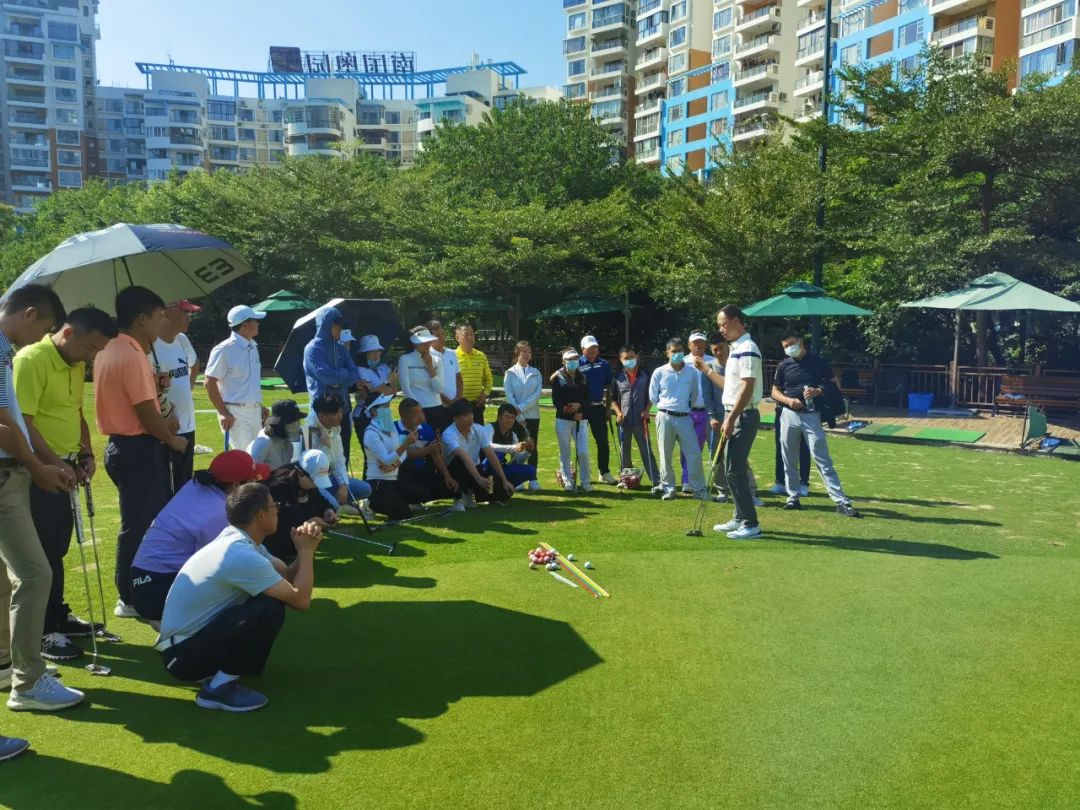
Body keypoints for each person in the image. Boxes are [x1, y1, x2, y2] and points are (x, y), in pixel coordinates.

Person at [155, 483, 324, 712]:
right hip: (183, 658)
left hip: (185, 648)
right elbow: (300, 600)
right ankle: (218, 688)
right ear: (260, 514)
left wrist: (302, 549)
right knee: (270, 607)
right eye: (274, 505)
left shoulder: (239, 540)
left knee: (269, 599)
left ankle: (220, 675)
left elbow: (285, 575)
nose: (278, 510)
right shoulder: (241, 553)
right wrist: (306, 552)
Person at [14, 307, 116, 663]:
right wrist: (55, 463)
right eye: (90, 348)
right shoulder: (31, 360)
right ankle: (43, 630)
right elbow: (23, 423)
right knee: (40, 554)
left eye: (97, 351)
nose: (92, 357)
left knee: (56, 547)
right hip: (37, 471)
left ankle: (58, 615)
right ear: (69, 333)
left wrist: (86, 453)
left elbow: (75, 413)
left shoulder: (73, 364)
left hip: (65, 467)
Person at [0, 284, 84, 712]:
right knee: (34, 576)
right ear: (29, 313)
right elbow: (3, 425)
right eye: (44, 327)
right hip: (4, 477)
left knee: (7, 579)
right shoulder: (4, 351)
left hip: (9, 472)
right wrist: (37, 467)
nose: (41, 337)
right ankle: (28, 683)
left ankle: (6, 664)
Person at [95, 286, 189, 619]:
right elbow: (147, 413)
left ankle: (139, 589)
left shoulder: (112, 348)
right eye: (159, 315)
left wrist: (155, 384)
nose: (163, 321)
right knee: (138, 526)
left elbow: (144, 401)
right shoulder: (133, 354)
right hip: (137, 448)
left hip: (124, 447)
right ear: (141, 318)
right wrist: (172, 441)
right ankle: (130, 596)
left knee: (142, 522)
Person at [130, 450, 270, 623]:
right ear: (235, 485)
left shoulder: (196, 485)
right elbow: (228, 565)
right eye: (252, 481)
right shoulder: (219, 514)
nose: (256, 487)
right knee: (248, 590)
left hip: (145, 581)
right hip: (157, 590)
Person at [772, 335, 861, 518]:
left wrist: (818, 391)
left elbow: (835, 384)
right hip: (788, 414)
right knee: (788, 458)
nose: (789, 348)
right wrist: (788, 400)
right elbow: (775, 391)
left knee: (822, 458)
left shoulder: (819, 362)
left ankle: (841, 501)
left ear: (801, 343)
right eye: (785, 346)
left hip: (812, 415)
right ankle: (793, 497)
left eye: (791, 344)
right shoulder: (784, 365)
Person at [701, 306, 764, 540]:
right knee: (731, 470)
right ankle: (739, 517)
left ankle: (751, 524)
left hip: (743, 416)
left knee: (735, 471)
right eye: (719, 325)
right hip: (736, 414)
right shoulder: (737, 348)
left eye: (723, 324)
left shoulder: (748, 349)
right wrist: (706, 370)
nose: (721, 329)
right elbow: (730, 386)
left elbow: (747, 387)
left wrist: (731, 417)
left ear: (736, 321)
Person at [696, 340, 762, 507]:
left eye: (721, 348)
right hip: (717, 418)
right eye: (715, 349)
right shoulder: (709, 366)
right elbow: (707, 394)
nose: (718, 352)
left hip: (736, 414)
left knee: (738, 456)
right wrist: (712, 416)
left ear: (727, 347)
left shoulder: (735, 362)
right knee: (717, 455)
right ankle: (722, 490)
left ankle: (751, 491)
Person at [649, 338, 706, 501]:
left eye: (680, 351)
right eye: (673, 351)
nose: (677, 354)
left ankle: (698, 489)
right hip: (664, 416)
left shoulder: (692, 372)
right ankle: (669, 488)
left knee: (694, 453)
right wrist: (666, 407)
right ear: (667, 353)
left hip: (685, 417)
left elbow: (694, 395)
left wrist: (683, 408)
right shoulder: (659, 372)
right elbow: (653, 396)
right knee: (665, 454)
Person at [303, 306, 361, 465]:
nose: (340, 329)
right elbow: (326, 377)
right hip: (322, 413)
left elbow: (354, 374)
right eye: (337, 325)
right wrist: (342, 375)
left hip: (343, 411)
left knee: (342, 457)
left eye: (341, 326)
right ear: (325, 325)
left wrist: (338, 379)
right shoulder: (312, 349)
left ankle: (343, 480)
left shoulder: (341, 348)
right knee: (317, 458)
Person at [205, 304, 267, 453]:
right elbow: (209, 382)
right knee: (246, 458)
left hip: (255, 413)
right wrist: (223, 413)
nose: (258, 323)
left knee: (259, 457)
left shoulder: (253, 347)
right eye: (255, 320)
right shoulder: (224, 349)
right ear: (244, 325)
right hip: (235, 414)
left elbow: (249, 383)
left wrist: (259, 405)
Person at [154, 300, 201, 493]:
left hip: (187, 425)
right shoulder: (151, 345)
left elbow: (195, 364)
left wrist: (187, 389)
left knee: (184, 486)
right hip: (166, 429)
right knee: (167, 490)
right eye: (184, 313)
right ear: (166, 313)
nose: (189, 318)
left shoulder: (182, 339)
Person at [363, 395, 432, 520]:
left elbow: (402, 453)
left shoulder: (390, 427)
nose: (388, 409)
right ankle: (371, 504)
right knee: (404, 514)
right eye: (385, 406)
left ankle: (395, 502)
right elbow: (386, 459)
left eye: (388, 406)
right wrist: (406, 444)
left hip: (395, 479)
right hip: (378, 482)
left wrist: (395, 464)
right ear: (373, 411)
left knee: (424, 493)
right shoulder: (370, 434)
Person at [441, 399, 515, 509]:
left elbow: (491, 455)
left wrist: (504, 480)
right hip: (454, 471)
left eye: (471, 413)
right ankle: (459, 498)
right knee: (459, 462)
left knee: (502, 492)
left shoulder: (479, 429)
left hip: (475, 468)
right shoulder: (448, 434)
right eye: (465, 415)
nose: (470, 417)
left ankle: (478, 495)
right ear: (456, 419)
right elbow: (464, 457)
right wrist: (479, 479)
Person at [264, 451, 338, 561]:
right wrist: (307, 523)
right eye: (314, 480)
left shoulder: (308, 484)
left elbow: (320, 500)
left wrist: (328, 511)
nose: (316, 485)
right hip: (274, 538)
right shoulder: (277, 487)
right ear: (300, 474)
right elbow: (275, 524)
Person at [305, 395, 372, 513]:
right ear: (322, 416)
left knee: (365, 489)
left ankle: (337, 502)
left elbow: (339, 460)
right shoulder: (309, 431)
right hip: (316, 481)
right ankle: (333, 505)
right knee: (333, 505)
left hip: (331, 477)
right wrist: (326, 446)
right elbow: (310, 467)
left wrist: (343, 485)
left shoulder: (335, 428)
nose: (340, 416)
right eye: (335, 414)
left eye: (340, 412)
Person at [610, 345, 658, 487]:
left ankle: (656, 480)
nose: (629, 360)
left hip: (641, 420)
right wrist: (618, 413)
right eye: (626, 358)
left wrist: (647, 410)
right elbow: (612, 399)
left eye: (631, 357)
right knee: (624, 452)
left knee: (646, 451)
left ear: (636, 356)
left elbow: (652, 395)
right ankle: (626, 479)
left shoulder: (645, 374)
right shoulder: (617, 376)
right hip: (623, 421)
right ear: (620, 359)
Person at [395, 397, 457, 502]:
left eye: (421, 412)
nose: (421, 416)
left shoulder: (425, 428)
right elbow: (404, 454)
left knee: (446, 489)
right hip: (403, 473)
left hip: (423, 470)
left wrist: (447, 476)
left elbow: (435, 453)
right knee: (418, 489)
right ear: (405, 416)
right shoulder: (394, 430)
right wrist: (427, 450)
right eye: (416, 414)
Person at [551, 348, 591, 493]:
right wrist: (569, 412)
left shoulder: (583, 377)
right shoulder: (558, 378)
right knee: (565, 452)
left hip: (581, 419)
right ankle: (568, 480)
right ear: (564, 362)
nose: (573, 362)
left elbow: (588, 398)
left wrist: (580, 407)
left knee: (583, 451)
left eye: (575, 359)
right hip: (563, 419)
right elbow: (557, 401)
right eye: (570, 360)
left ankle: (586, 482)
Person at [577, 335, 616, 485]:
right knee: (582, 443)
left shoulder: (603, 364)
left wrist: (608, 408)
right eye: (590, 348)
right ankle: (584, 473)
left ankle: (604, 472)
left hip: (598, 407)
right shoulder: (577, 363)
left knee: (603, 442)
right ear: (583, 349)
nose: (594, 350)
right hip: (582, 408)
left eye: (595, 347)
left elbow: (609, 387)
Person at [350, 334, 396, 456]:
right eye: (371, 352)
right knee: (371, 454)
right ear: (364, 354)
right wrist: (388, 382)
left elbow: (393, 392)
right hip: (366, 415)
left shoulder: (384, 368)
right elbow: (371, 395)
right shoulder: (359, 370)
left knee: (389, 449)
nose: (376, 355)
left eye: (378, 351)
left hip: (384, 413)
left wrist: (386, 387)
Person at [503, 340, 542, 484]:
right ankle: (516, 479)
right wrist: (517, 414)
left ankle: (533, 479)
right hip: (514, 417)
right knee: (517, 446)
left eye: (529, 352)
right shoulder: (510, 373)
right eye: (524, 351)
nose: (527, 354)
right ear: (518, 353)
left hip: (532, 415)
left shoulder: (536, 373)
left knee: (532, 446)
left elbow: (536, 395)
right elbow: (509, 395)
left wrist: (521, 409)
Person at [681, 331, 713, 492]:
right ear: (689, 345)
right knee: (686, 448)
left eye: (701, 342)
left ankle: (696, 480)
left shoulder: (712, 361)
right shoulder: (682, 362)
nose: (698, 345)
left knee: (700, 447)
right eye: (695, 342)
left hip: (707, 411)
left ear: (705, 344)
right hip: (687, 411)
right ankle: (687, 479)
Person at [398, 328, 445, 431]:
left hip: (437, 408)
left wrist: (430, 366)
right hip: (417, 411)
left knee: (438, 439)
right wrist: (417, 410)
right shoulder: (405, 359)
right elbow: (406, 389)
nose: (427, 344)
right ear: (414, 343)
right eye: (423, 342)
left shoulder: (437, 359)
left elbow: (439, 389)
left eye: (429, 341)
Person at [485, 404, 537, 490]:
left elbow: (517, 460)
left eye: (512, 418)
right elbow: (488, 446)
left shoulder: (513, 436)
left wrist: (528, 451)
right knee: (497, 456)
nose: (509, 420)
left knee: (531, 470)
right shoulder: (489, 428)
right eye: (506, 416)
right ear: (498, 417)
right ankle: (489, 489)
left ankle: (503, 488)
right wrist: (513, 447)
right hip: (483, 467)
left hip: (500, 468)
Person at [248, 399, 305, 471]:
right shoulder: (263, 443)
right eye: (295, 421)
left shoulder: (288, 446)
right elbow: (249, 470)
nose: (299, 425)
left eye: (299, 421)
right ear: (282, 424)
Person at [454, 323, 493, 427]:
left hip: (477, 404)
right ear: (457, 337)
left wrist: (485, 394)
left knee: (477, 433)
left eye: (471, 334)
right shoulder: (452, 356)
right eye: (466, 334)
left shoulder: (481, 356)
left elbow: (488, 379)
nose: (470, 337)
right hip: (459, 405)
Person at [427, 320, 462, 425]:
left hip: (455, 405)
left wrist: (458, 398)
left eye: (442, 333)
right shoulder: (428, 357)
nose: (442, 337)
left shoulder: (451, 353)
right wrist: (448, 401)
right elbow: (431, 384)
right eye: (437, 335)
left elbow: (458, 376)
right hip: (438, 406)